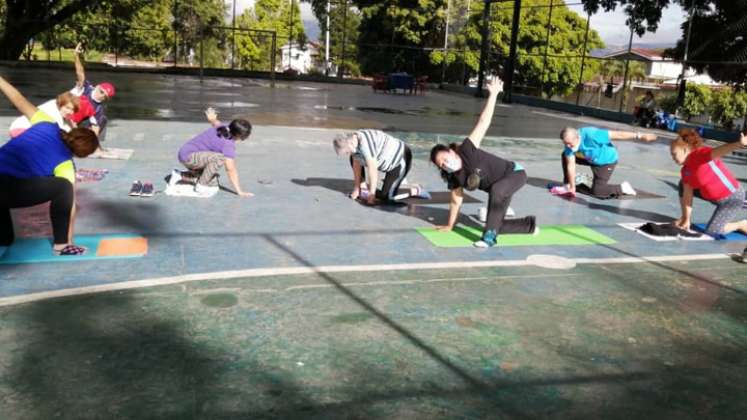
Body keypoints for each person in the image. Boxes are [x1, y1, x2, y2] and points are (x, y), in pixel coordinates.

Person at [429, 79, 537, 248]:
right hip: (499, 190)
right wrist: (450, 226)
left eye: (444, 159)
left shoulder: (466, 150)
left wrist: (493, 94)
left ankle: (489, 238)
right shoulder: (454, 177)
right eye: (441, 165)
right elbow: (456, 201)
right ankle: (529, 226)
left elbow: (483, 122)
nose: (444, 164)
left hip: (514, 173)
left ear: (451, 151)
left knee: (495, 197)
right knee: (496, 223)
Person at [0, 76, 99, 255]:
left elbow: (18, 99)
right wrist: (68, 241)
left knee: (5, 239)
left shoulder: (46, 123)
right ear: (81, 154)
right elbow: (70, 205)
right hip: (5, 189)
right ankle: (60, 246)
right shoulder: (65, 164)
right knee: (63, 187)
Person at [670, 129, 746, 237]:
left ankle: (740, 224)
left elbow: (720, 150)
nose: (672, 158)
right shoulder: (685, 170)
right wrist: (686, 219)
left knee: (713, 232)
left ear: (685, 149)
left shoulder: (700, 155)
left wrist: (738, 144)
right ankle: (684, 218)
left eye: (674, 154)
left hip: (732, 198)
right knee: (683, 184)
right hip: (712, 197)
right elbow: (687, 195)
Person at [169, 107, 253, 198]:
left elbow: (215, 122)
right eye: (244, 137)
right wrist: (239, 191)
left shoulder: (223, 128)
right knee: (220, 158)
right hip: (189, 157)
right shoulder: (228, 145)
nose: (244, 139)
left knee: (213, 181)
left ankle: (179, 175)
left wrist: (212, 117)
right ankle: (201, 186)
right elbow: (230, 169)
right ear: (238, 135)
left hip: (185, 153)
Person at [558, 126, 657, 198]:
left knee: (598, 192)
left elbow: (618, 134)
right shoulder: (569, 145)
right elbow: (570, 165)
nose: (568, 147)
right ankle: (567, 185)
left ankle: (623, 188)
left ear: (578, 137)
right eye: (566, 144)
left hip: (606, 162)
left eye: (570, 144)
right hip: (589, 158)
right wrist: (571, 186)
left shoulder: (592, 134)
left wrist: (640, 136)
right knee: (565, 155)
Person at [332, 129, 413, 205]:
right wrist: (357, 188)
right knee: (353, 158)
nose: (347, 153)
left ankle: (414, 190)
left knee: (387, 197)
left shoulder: (365, 144)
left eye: (347, 151)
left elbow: (373, 170)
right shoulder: (354, 142)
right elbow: (356, 163)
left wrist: (371, 195)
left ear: (351, 143)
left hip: (400, 160)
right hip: (385, 161)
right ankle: (365, 188)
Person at [71, 43, 115, 140]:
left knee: (102, 120)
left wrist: (92, 145)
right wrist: (76, 56)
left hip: (75, 121)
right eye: (101, 91)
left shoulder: (98, 108)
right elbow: (80, 73)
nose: (101, 96)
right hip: (63, 113)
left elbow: (95, 129)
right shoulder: (85, 88)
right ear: (97, 86)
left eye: (105, 96)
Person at [8, 92, 80, 137]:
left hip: (19, 128)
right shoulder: (54, 115)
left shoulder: (55, 103)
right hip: (21, 130)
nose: (70, 112)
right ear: (60, 104)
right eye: (68, 108)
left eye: (73, 110)